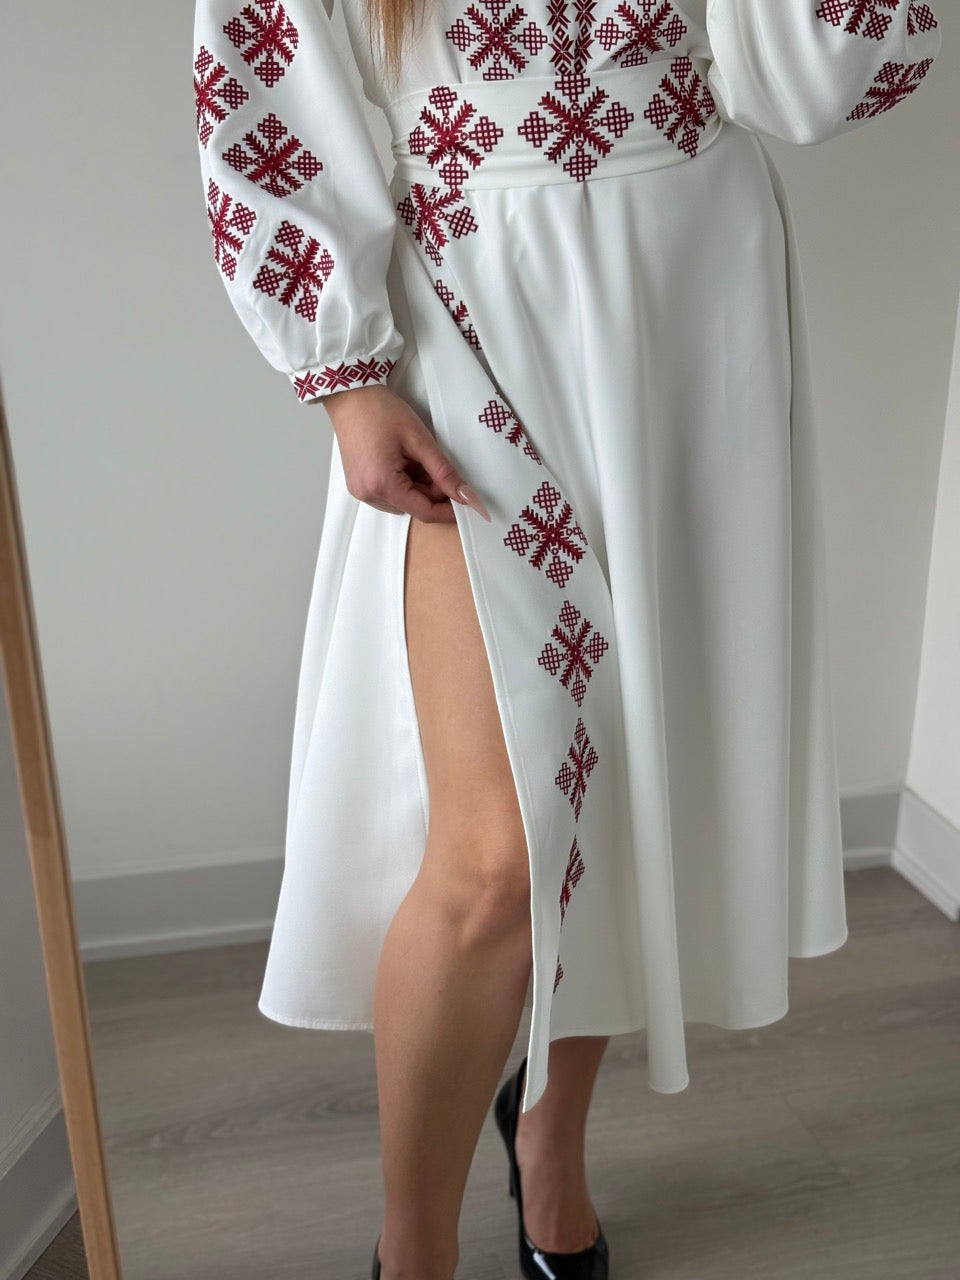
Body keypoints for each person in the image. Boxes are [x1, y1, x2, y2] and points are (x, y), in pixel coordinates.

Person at [192, 2, 942, 1277]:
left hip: (697, 288)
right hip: (475, 300)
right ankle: (411, 1249)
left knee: (621, 773)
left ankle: (552, 1152)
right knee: (496, 856)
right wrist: (345, 372)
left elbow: (824, 79)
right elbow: (260, 54)